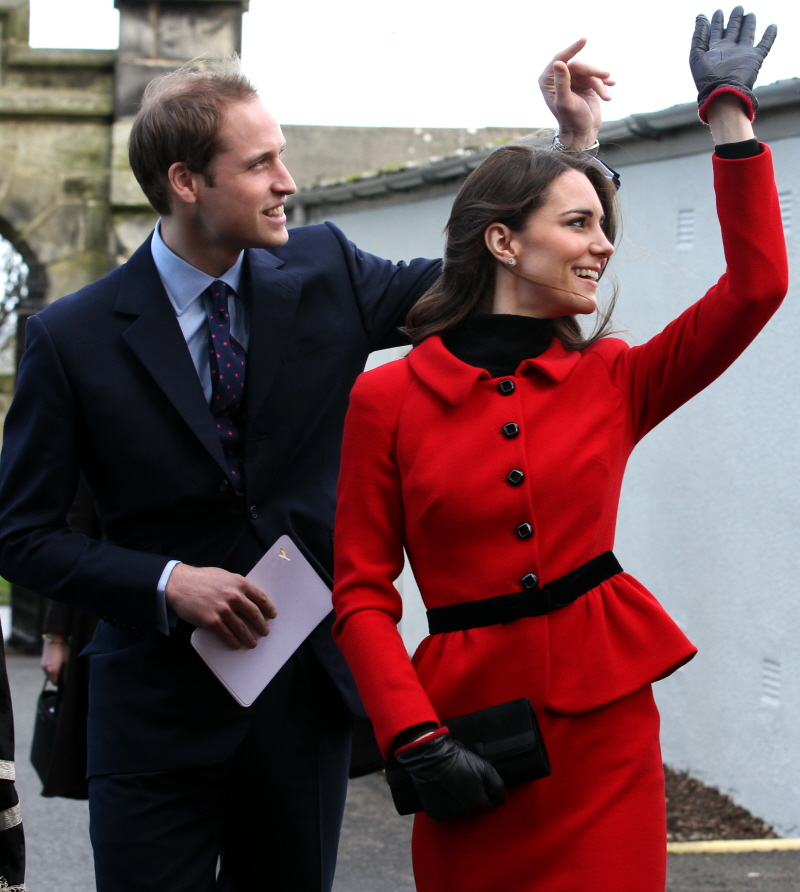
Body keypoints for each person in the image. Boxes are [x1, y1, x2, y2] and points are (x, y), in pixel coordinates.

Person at [0, 42, 605, 892]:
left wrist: (573, 156)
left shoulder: (327, 269)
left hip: (301, 703)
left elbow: (480, 280)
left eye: (282, 155)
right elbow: (21, 537)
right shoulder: (72, 338)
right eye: (260, 164)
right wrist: (168, 582)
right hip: (153, 718)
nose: (288, 180)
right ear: (185, 182)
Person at [331, 8, 786, 892]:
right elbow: (359, 591)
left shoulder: (615, 377)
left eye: (601, 226)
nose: (604, 246)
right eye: (580, 225)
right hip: (466, 742)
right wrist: (412, 734)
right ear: (504, 241)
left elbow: (757, 286)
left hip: (608, 735)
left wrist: (729, 113)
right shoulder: (383, 399)